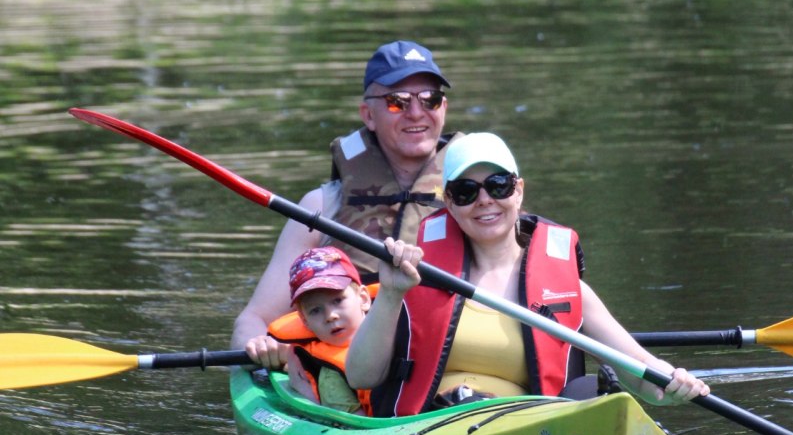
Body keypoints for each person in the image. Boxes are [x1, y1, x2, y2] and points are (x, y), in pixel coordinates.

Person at [345, 132, 710, 415]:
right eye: (467, 191)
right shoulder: (415, 277)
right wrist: (391, 295)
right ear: (450, 204)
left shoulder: (569, 289)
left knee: (593, 394)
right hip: (434, 429)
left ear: (518, 191)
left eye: (498, 185)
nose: (485, 200)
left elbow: (641, 371)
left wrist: (671, 384)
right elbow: (361, 376)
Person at [234, 39, 459, 367]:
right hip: (345, 369)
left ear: (444, 108)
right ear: (368, 114)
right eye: (397, 102)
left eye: (430, 100)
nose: (416, 113)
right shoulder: (320, 207)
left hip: (443, 365)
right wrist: (258, 348)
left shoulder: (478, 199)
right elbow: (253, 318)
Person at [267, 246, 373, 412]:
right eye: (315, 310)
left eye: (338, 301)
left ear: (363, 298)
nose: (330, 315)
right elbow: (356, 427)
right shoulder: (331, 376)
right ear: (305, 322)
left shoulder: (398, 322)